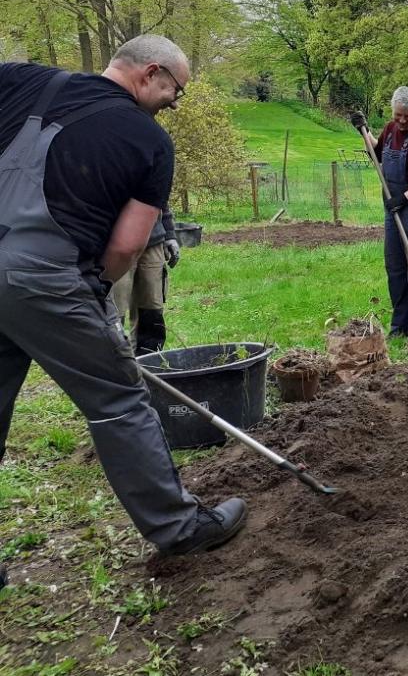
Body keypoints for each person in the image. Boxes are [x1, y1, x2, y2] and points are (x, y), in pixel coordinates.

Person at [0, 36, 246, 583]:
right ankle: (181, 528)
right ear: (150, 73)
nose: (175, 102)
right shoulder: (149, 142)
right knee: (119, 401)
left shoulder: (22, 80)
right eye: (175, 89)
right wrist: (92, 287)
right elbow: (128, 247)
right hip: (44, 276)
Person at [350, 87, 408, 337]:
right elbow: (378, 152)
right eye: (398, 115)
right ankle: (400, 326)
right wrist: (364, 130)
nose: (402, 121)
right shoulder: (391, 129)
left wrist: (404, 197)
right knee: (395, 267)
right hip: (394, 210)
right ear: (393, 111)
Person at [110, 205, 180, 354]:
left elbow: (159, 193)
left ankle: (149, 363)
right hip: (113, 241)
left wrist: (169, 235)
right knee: (113, 311)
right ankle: (113, 367)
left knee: (151, 309)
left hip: (152, 240)